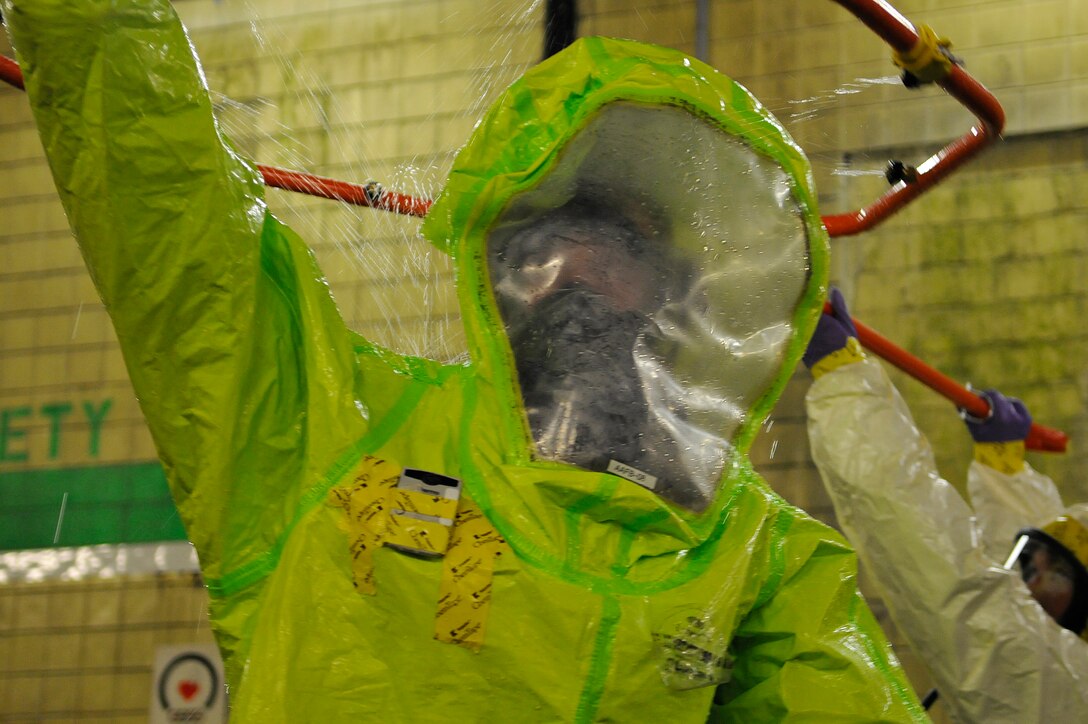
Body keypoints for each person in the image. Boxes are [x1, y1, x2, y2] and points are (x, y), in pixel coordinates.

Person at [5, 0, 927, 720]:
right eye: (558, 236)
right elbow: (166, 200)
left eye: (620, 245)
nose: (581, 270)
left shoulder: (748, 550)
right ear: (498, 262)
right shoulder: (330, 425)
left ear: (670, 292)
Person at [804, 288, 1088, 722]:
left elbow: (941, 571)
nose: (1031, 580)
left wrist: (846, 384)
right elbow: (1013, 597)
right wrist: (1005, 472)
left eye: (1061, 574)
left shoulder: (1057, 691)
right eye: (1033, 560)